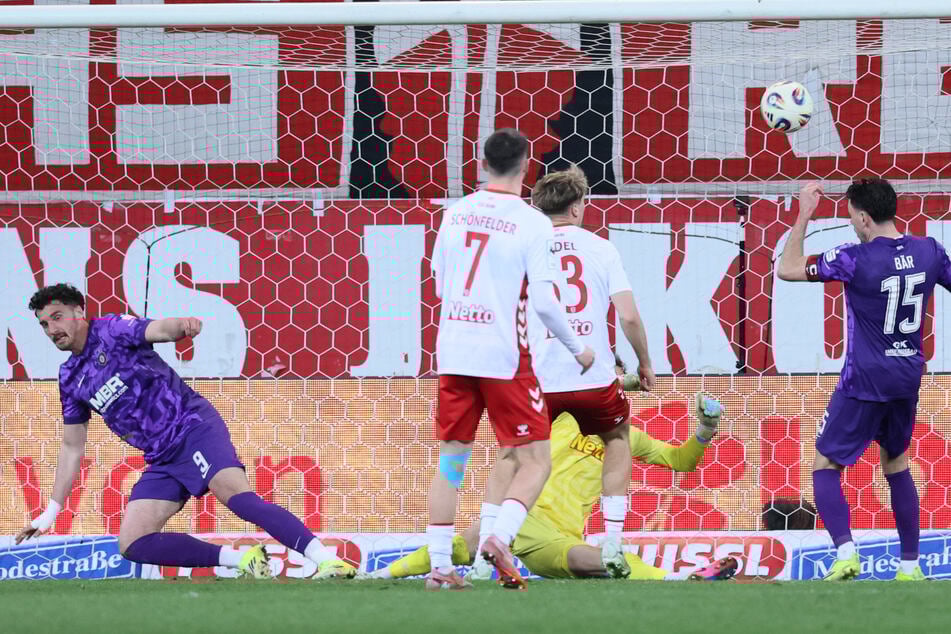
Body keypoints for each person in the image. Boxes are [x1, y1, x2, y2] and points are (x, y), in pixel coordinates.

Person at [17, 283, 355, 579]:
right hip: (162, 457)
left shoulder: (113, 330)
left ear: (79, 312)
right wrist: (51, 511)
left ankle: (327, 560)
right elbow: (72, 446)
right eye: (45, 324)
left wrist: (180, 326)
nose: (51, 329)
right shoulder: (69, 377)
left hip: (192, 426)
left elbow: (156, 330)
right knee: (133, 542)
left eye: (57, 317)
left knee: (235, 496)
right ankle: (243, 560)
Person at [427, 129, 595, 590]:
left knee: (452, 461)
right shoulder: (532, 221)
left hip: (455, 354)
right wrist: (578, 348)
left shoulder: (454, 213)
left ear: (482, 164)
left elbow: (440, 285)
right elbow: (543, 302)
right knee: (535, 461)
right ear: (527, 167)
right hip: (504, 359)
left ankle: (440, 569)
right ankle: (500, 538)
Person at [372, 374, 735, 582]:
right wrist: (619, 379)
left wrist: (705, 429)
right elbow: (545, 391)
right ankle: (379, 577)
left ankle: (680, 579)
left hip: (560, 536)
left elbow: (680, 461)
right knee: (463, 545)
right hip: (525, 515)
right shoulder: (561, 414)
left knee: (605, 562)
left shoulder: (627, 437)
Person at [475, 163, 656, 578]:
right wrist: (644, 363)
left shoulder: (521, 249)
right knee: (616, 438)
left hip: (537, 378)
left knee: (512, 455)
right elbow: (627, 316)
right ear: (577, 208)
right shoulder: (600, 248)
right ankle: (612, 541)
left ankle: (490, 548)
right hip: (591, 375)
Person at [777, 178, 951, 581]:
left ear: (865, 217)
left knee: (825, 464)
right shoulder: (929, 250)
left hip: (865, 379)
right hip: (908, 376)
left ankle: (846, 554)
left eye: (851, 215)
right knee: (896, 463)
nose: (851, 222)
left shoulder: (854, 257)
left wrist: (803, 213)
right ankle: (910, 567)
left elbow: (787, 269)